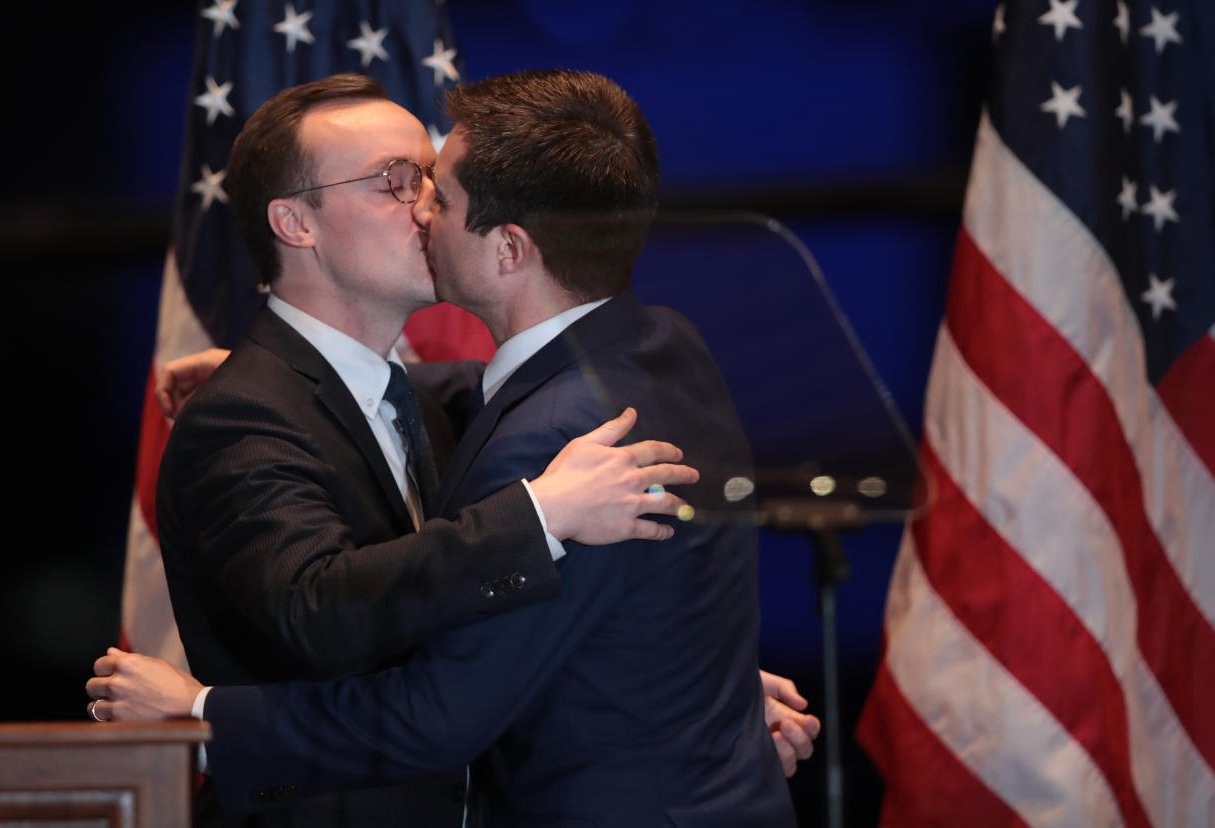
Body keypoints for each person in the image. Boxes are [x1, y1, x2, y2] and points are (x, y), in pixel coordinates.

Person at [92, 70, 821, 824]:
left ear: (509, 248)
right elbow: (318, 606)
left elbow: (468, 403)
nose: (423, 210)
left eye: (433, 181)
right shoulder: (242, 419)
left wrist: (696, 691)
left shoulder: (486, 409)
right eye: (397, 180)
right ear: (295, 223)